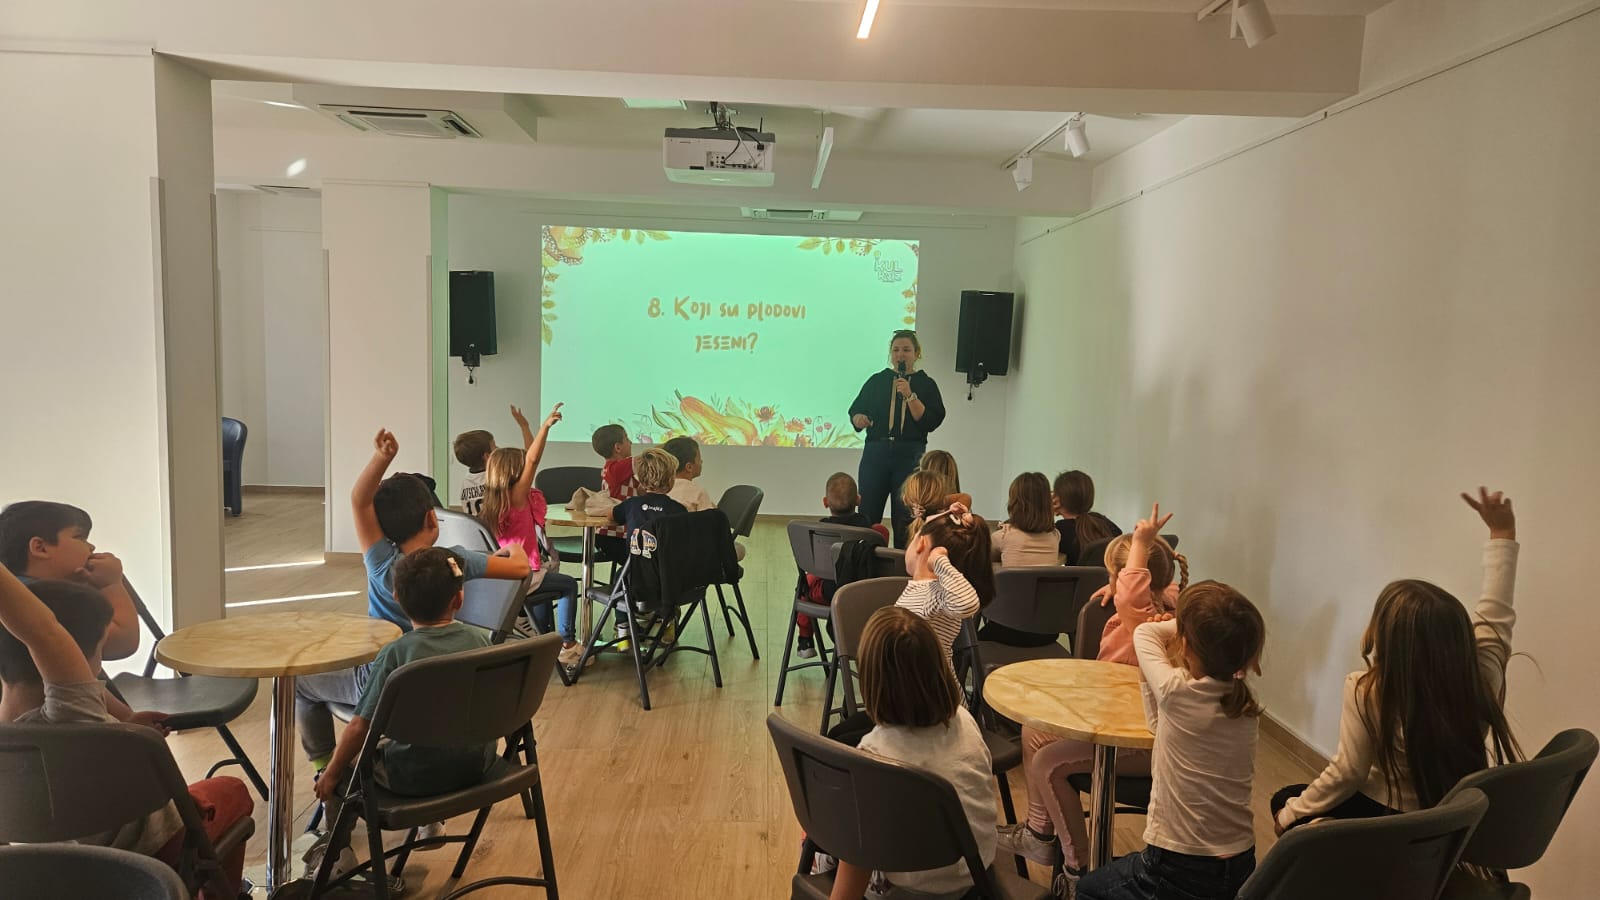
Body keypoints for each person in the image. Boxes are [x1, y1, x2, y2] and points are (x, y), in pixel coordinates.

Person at [1270, 487, 1522, 833]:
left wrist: (1289, 815)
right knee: (1299, 802)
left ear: (1389, 641)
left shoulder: (1366, 689)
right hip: (1450, 814)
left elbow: (1348, 772)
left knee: (1284, 799)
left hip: (1385, 815)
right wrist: (1503, 533)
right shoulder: (1483, 675)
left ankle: (1337, 841)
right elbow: (1497, 612)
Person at [0, 566, 254, 899]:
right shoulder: (68, 711)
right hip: (139, 858)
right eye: (99, 652)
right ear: (74, 658)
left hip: (41, 868)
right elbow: (43, 630)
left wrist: (123, 725)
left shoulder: (20, 728)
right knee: (232, 789)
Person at [998, 505, 1184, 894]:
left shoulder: (1150, 625)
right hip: (1118, 726)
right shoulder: (1162, 605)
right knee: (1034, 731)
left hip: (1140, 742)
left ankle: (1077, 868)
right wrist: (1119, 587)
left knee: (1048, 762)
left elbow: (1135, 596)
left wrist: (1138, 547)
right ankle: (1039, 833)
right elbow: (1154, 590)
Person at [305, 547, 498, 881]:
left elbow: (358, 728)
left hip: (411, 776)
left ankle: (338, 856)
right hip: (476, 765)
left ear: (396, 598)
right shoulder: (483, 641)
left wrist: (331, 773)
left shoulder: (396, 654)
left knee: (343, 771)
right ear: (459, 598)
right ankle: (430, 821)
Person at [1076, 582, 1266, 900]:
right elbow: (1158, 725)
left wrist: (1176, 626)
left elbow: (1144, 633)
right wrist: (1194, 630)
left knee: (1088, 890)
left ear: (1186, 643)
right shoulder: (1243, 703)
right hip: (1239, 859)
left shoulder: (1178, 692)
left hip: (1180, 862)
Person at [827, 606, 996, 900]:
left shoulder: (874, 754)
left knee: (831, 834)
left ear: (871, 681)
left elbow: (853, 874)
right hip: (975, 878)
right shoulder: (965, 720)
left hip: (909, 889)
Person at [479, 403, 585, 670]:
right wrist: (544, 428)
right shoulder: (517, 499)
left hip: (506, 576)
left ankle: (542, 639)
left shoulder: (494, 499)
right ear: (517, 473)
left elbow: (528, 457)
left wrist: (525, 427)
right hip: (524, 575)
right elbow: (532, 459)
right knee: (568, 585)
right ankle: (568, 645)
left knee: (547, 582)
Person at [0, 501, 140, 662]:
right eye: (79, 537)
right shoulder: (52, 600)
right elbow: (122, 642)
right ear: (40, 548)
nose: (91, 547)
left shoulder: (12, 593)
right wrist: (111, 585)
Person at [849, 330, 947, 548]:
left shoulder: (926, 384)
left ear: (916, 353)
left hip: (910, 453)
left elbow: (930, 421)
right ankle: (865, 559)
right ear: (890, 354)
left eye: (906, 350)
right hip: (876, 452)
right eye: (896, 350)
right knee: (868, 511)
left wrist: (910, 395)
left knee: (906, 514)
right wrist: (859, 419)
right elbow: (855, 411)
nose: (900, 355)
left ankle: (902, 562)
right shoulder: (877, 381)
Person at [793, 472, 891, 660]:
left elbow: (813, 569)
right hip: (864, 593)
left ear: (825, 502)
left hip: (830, 593)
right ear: (858, 500)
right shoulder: (876, 532)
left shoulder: (819, 533)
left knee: (804, 586)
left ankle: (805, 640)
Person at [607, 448, 688, 649]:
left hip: (635, 577)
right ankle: (667, 622)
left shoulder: (631, 505)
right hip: (668, 578)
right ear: (671, 480)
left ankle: (623, 629)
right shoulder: (678, 510)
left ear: (640, 481)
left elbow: (612, 516)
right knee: (671, 576)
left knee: (620, 578)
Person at [591, 423, 638, 565]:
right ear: (618, 447)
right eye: (627, 439)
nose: (631, 442)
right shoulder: (616, 469)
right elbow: (648, 457)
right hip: (613, 535)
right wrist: (668, 448)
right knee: (642, 563)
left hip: (621, 534)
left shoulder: (622, 471)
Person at [992, 472, 1060, 568]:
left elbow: (984, 560)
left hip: (1010, 579)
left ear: (1014, 503)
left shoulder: (1002, 536)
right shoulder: (1055, 536)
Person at [1053, 471, 1121, 565]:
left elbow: (1045, 553)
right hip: (1108, 575)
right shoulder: (1102, 521)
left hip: (1077, 575)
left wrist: (1046, 511)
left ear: (1058, 500)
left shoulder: (1060, 530)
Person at [661, 436, 715, 512]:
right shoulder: (698, 491)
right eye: (699, 459)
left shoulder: (659, 489)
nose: (702, 461)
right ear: (689, 467)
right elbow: (710, 517)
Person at [451, 428, 496, 516]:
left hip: (473, 524)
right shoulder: (494, 477)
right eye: (495, 446)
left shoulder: (466, 481)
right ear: (487, 456)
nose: (498, 448)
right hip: (490, 524)